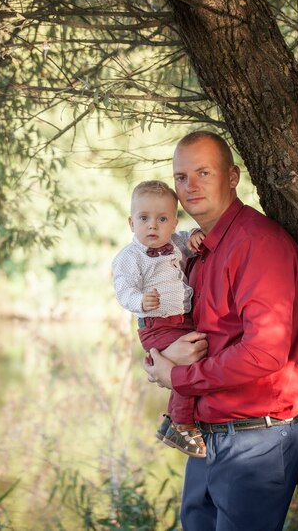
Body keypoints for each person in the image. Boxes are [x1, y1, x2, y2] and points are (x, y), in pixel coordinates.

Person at [144, 131, 298, 531]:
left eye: (204, 172)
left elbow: (264, 353)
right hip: (209, 434)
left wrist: (179, 376)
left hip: (255, 439)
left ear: (232, 177)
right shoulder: (197, 249)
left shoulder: (257, 243)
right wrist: (167, 357)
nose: (190, 186)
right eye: (181, 177)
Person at [112, 180, 207, 457]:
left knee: (195, 356)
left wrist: (196, 237)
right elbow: (124, 289)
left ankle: (173, 424)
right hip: (157, 326)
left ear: (174, 223)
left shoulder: (177, 243)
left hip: (182, 321)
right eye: (144, 218)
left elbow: (191, 243)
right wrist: (139, 300)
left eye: (161, 218)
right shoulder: (130, 258)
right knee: (187, 366)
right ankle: (181, 424)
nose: (152, 225)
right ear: (132, 223)